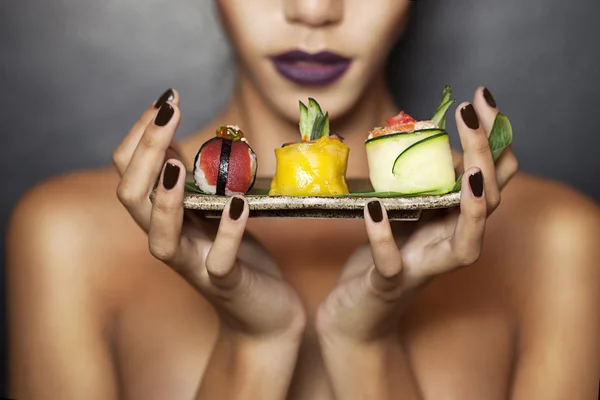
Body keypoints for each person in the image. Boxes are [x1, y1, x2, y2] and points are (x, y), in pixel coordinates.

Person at [6, 1, 600, 399]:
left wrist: (366, 345)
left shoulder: (555, 240)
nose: (314, 11)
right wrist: (254, 345)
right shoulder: (66, 238)